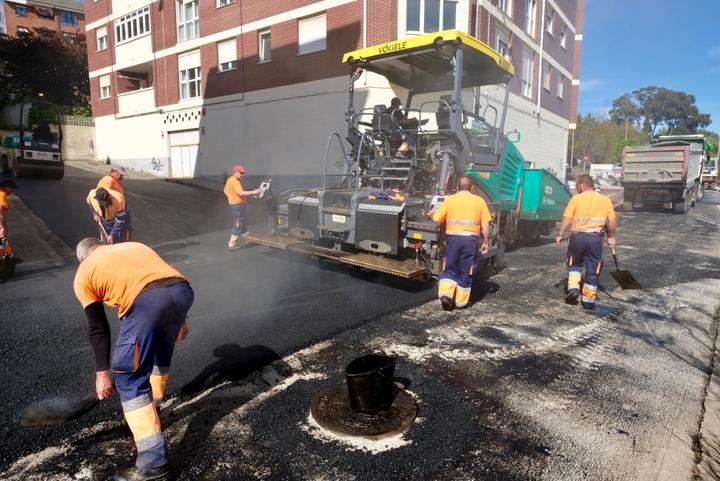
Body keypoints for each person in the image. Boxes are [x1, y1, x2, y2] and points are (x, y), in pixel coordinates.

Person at [74, 238, 193, 481]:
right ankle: (154, 412)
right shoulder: (133, 246)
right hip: (182, 291)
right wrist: (179, 319)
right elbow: (163, 280)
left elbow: (98, 328)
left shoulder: (83, 272)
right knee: (158, 351)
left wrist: (103, 373)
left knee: (128, 375)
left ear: (81, 258)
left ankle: (154, 465)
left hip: (147, 302)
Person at [430, 176, 492, 311]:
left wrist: (432, 213)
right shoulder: (479, 201)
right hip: (470, 241)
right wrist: (486, 242)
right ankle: (460, 303)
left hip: (452, 239)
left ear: (457, 187)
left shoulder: (450, 200)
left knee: (450, 267)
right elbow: (485, 225)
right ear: (472, 188)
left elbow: (437, 218)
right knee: (466, 270)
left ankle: (446, 295)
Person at [555, 174, 617, 309]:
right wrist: (611, 236)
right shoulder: (605, 200)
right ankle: (588, 300)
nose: (576, 188)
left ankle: (573, 289)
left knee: (574, 263)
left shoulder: (576, 199)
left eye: (577, 185)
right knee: (593, 267)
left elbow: (567, 217)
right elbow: (611, 220)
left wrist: (560, 234)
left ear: (583, 185)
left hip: (577, 238)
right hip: (595, 239)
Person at [223, 165, 265, 250]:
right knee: (238, 224)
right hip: (237, 206)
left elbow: (225, 190)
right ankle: (231, 244)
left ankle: (248, 240)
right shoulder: (235, 181)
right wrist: (254, 192)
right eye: (241, 173)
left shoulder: (230, 179)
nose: (242, 174)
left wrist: (231, 197)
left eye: (243, 173)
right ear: (236, 172)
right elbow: (241, 193)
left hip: (236, 205)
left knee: (243, 223)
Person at [0, 178, 18, 259]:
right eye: (11, 190)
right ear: (7, 187)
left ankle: (8, 255)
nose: (11, 193)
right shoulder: (2, 195)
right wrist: (3, 226)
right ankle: (8, 257)